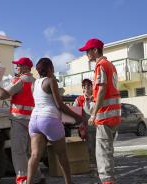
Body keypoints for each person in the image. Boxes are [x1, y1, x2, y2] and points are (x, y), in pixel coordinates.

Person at [26, 58, 85, 184]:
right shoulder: (51, 81)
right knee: (62, 154)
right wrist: (77, 117)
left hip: (34, 120)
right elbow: (59, 105)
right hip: (48, 119)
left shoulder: (34, 84)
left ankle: (28, 182)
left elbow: (42, 100)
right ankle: (69, 182)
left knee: (35, 156)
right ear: (50, 69)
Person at [0, 57, 44, 184]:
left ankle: (23, 179)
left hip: (19, 120)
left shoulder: (20, 80)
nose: (16, 67)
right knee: (32, 152)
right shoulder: (36, 82)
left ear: (26, 67)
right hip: (34, 121)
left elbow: (2, 95)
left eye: (19, 65)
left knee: (18, 152)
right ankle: (36, 178)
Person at [79, 38, 121, 184]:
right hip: (113, 115)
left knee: (102, 156)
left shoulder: (100, 65)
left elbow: (102, 89)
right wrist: (93, 98)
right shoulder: (110, 65)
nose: (86, 54)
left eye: (87, 51)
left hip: (104, 116)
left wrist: (94, 114)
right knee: (108, 153)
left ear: (95, 51)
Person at [73, 79, 97, 170]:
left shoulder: (96, 97)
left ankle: (95, 165)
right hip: (85, 128)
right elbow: (74, 112)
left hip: (96, 127)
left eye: (88, 85)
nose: (86, 87)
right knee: (87, 148)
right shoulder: (79, 99)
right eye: (84, 86)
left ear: (92, 87)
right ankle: (88, 165)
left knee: (96, 148)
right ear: (82, 88)